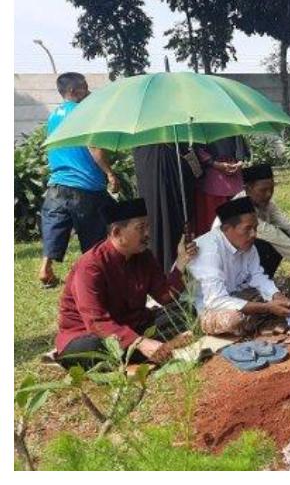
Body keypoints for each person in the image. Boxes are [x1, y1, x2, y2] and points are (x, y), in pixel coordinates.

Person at [54, 198, 199, 369]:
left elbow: (166, 297)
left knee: (185, 311)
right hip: (88, 333)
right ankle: (151, 350)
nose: (147, 233)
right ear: (116, 233)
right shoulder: (90, 266)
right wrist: (139, 342)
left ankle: (141, 354)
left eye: (148, 226)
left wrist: (181, 261)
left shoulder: (144, 256)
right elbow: (96, 322)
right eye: (140, 228)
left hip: (132, 327)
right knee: (92, 348)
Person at [38, 72, 119, 288]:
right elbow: (95, 148)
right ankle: (92, 278)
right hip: (85, 185)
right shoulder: (85, 112)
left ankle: (45, 266)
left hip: (58, 182)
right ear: (73, 91)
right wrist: (110, 173)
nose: (88, 91)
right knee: (95, 234)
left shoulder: (54, 116)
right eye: (84, 87)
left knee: (56, 224)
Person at [187, 197, 290, 336]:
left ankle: (256, 321)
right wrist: (267, 308)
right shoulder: (209, 251)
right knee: (233, 319)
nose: (254, 234)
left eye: (255, 228)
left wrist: (277, 296)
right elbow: (216, 300)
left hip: (235, 295)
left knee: (280, 294)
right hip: (208, 307)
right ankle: (254, 322)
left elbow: (258, 276)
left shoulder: (247, 246)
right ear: (226, 229)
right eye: (248, 229)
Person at [212, 164, 290, 278]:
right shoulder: (240, 208)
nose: (268, 194)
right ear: (247, 189)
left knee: (282, 235)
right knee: (265, 243)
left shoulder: (266, 205)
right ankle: (247, 285)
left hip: (240, 255)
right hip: (225, 261)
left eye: (271, 189)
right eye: (263, 190)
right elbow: (270, 233)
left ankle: (262, 281)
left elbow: (289, 225)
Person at [134, 143, 196, 273]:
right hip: (150, 160)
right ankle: (157, 270)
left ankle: (179, 266)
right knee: (154, 218)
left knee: (177, 216)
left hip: (174, 161)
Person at [192, 136, 249, 236]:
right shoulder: (199, 122)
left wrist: (239, 161)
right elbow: (196, 147)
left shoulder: (233, 121)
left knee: (239, 218)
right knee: (214, 221)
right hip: (212, 177)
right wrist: (213, 163)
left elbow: (238, 140)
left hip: (233, 173)